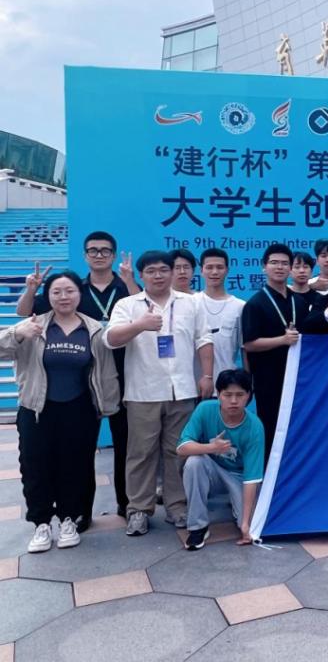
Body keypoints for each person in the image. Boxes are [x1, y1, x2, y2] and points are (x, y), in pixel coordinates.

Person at [16, 231, 139, 522]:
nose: (99, 255)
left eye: (105, 250)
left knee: (126, 445)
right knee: (82, 450)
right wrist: (32, 290)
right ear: (85, 255)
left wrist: (130, 281)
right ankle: (80, 512)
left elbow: (144, 307)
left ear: (113, 255)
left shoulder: (126, 287)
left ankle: (127, 504)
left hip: (126, 373)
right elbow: (25, 313)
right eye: (93, 250)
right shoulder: (72, 289)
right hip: (85, 381)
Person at [1, 271, 120, 553]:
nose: (63, 297)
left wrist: (107, 405)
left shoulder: (93, 329)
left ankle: (69, 519)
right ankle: (41, 523)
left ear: (79, 294)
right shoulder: (34, 325)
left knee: (75, 466)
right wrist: (18, 333)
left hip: (79, 410)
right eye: (56, 292)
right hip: (36, 409)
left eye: (69, 291)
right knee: (35, 466)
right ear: (48, 296)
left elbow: (106, 372)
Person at [104, 250, 214, 536]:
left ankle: (177, 506)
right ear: (141, 276)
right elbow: (111, 339)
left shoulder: (191, 303)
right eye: (151, 271)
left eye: (164, 270)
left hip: (183, 390)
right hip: (143, 392)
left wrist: (207, 375)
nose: (158, 275)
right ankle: (139, 509)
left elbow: (204, 339)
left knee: (178, 451)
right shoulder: (128, 305)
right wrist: (140, 325)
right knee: (141, 453)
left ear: (172, 272)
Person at [177, 369, 265, 550]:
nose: (233, 401)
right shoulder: (204, 409)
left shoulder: (255, 427)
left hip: (239, 476)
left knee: (251, 526)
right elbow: (181, 448)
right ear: (218, 395)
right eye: (227, 395)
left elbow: (251, 478)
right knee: (194, 463)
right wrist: (212, 448)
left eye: (240, 395)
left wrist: (245, 524)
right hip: (212, 470)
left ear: (249, 396)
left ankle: (237, 509)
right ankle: (197, 527)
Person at [241, 244, 300, 462]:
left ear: (291, 268)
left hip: (297, 379)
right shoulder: (255, 304)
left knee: (296, 429)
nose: (280, 267)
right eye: (274, 263)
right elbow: (249, 344)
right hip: (268, 380)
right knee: (271, 428)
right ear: (264, 267)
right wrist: (282, 340)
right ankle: (269, 477)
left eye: (285, 263)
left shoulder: (299, 301)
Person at [197, 248, 245, 381]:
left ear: (227, 270)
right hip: (194, 382)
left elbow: (244, 348)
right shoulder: (191, 303)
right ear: (201, 271)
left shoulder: (240, 306)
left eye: (219, 267)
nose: (214, 272)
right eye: (209, 267)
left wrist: (249, 380)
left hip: (227, 383)